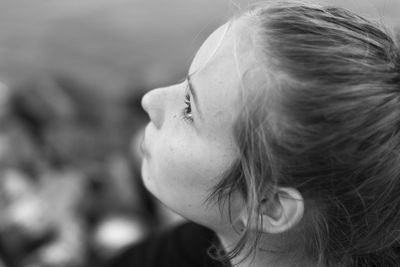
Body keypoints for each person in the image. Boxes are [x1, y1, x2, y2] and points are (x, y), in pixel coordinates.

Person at [107, 1, 400, 266]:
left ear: (267, 205)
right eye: (185, 80)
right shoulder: (199, 240)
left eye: (188, 109)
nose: (150, 98)